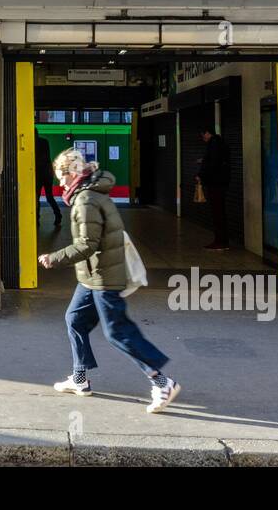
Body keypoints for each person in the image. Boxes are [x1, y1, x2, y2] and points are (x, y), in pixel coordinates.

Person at [38, 147, 181, 414]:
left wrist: (54, 257)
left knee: (118, 332)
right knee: (75, 319)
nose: (59, 183)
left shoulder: (86, 200)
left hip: (103, 276)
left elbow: (87, 245)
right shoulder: (92, 193)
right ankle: (80, 379)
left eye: (62, 177)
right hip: (91, 276)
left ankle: (163, 382)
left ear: (74, 174)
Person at [197, 125, 232, 251]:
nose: (203, 139)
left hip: (216, 183)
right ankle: (223, 240)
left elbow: (213, 164)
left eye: (203, 136)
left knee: (217, 212)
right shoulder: (221, 143)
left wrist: (201, 174)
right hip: (222, 182)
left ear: (207, 133)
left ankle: (220, 242)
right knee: (220, 212)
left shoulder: (214, 144)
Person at [35, 133, 63, 227]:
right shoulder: (44, 142)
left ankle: (36, 220)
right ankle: (58, 215)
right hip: (48, 173)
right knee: (49, 197)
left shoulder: (32, 142)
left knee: (36, 198)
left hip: (38, 174)